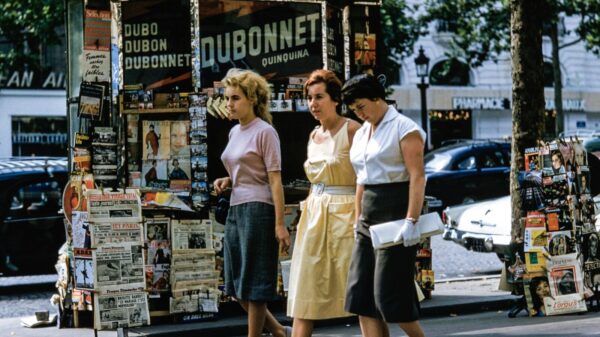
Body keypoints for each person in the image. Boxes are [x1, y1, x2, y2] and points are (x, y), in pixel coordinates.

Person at [342, 74, 426, 337]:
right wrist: (358, 219)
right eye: (354, 110)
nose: (359, 114)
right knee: (361, 294)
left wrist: (411, 220)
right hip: (368, 211)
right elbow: (361, 179)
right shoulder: (362, 132)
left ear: (377, 98)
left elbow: (417, 176)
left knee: (388, 295)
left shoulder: (404, 127)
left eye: (361, 107)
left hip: (396, 209)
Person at [213, 68, 291, 337]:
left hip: (259, 209)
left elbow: (275, 180)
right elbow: (247, 169)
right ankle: (279, 332)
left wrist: (280, 224)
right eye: (227, 98)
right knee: (235, 285)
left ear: (252, 100)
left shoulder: (265, 132)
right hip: (236, 208)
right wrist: (229, 180)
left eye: (235, 98)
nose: (229, 104)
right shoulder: (234, 132)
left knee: (255, 284)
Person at [287, 69, 361, 337]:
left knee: (360, 290)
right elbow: (313, 181)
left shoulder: (353, 129)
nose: (313, 104)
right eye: (309, 98)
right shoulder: (312, 135)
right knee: (306, 287)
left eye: (319, 97)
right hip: (315, 214)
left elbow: (366, 176)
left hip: (346, 212)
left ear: (335, 99)